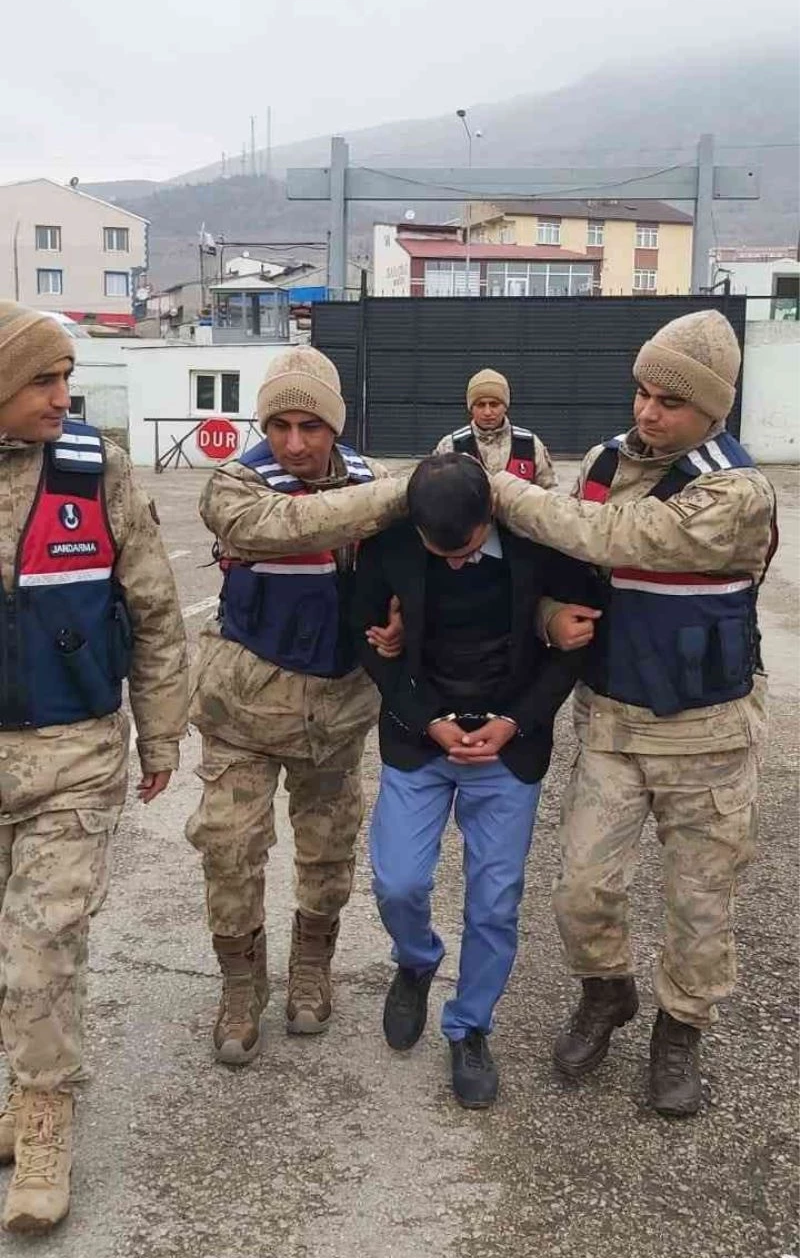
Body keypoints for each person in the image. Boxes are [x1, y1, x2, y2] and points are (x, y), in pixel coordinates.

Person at [490, 310, 777, 1116]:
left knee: (699, 905)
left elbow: (611, 535)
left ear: (713, 409)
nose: (648, 412)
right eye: (642, 392)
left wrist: (498, 486)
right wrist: (549, 614)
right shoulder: (605, 461)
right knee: (581, 889)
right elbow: (568, 568)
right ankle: (606, 991)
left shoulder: (737, 491)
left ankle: (680, 1029)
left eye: (671, 402)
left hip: (706, 731)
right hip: (613, 720)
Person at [0, 303, 188, 1234]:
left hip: (72, 755)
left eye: (67, 377)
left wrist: (162, 733)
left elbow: (154, 612)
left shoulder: (97, 471)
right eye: (42, 379)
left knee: (42, 947)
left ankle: (45, 1119)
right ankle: (19, 1092)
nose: (61, 396)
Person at [351, 452, 601, 1110]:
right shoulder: (390, 546)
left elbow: (578, 642)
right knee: (397, 881)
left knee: (493, 904)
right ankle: (416, 959)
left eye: (465, 549)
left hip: (508, 744)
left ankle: (469, 1027)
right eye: (441, 554)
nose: (456, 563)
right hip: (419, 738)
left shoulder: (540, 544)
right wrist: (427, 719)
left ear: (491, 512)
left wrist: (517, 721)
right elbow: (365, 636)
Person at [187, 347, 407, 1065]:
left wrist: (399, 621)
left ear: (335, 425)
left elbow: (409, 575)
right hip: (243, 708)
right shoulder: (238, 482)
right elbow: (282, 526)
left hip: (337, 712)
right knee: (229, 847)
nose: (294, 443)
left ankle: (312, 963)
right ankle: (240, 984)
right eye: (278, 425)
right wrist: (402, 494)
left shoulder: (375, 482)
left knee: (328, 847)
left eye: (310, 426)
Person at [434, 367, 557, 486]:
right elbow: (434, 491)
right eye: (480, 405)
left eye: (494, 404)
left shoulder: (529, 444)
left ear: (505, 406)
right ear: (471, 408)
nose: (487, 412)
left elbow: (548, 491)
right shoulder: (451, 447)